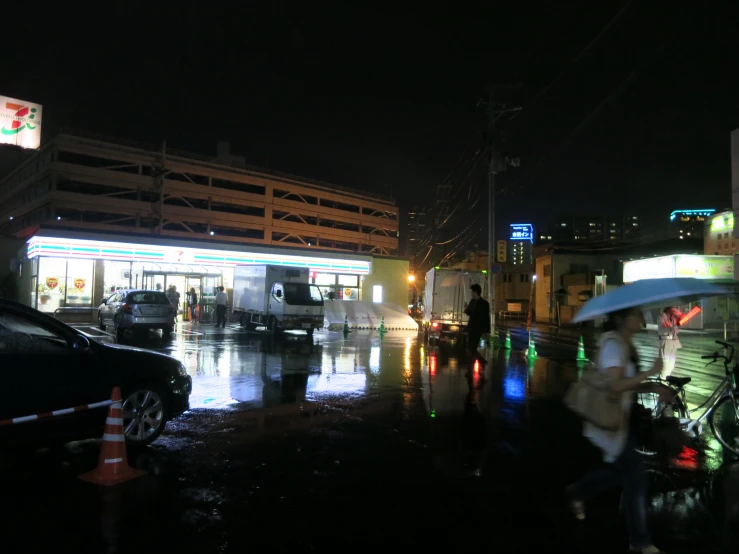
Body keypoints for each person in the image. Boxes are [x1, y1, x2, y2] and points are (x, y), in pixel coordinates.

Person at [566, 307, 670, 554]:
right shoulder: (613, 345)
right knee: (636, 478)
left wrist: (653, 387)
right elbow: (614, 385)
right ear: (620, 319)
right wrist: (651, 373)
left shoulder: (626, 344)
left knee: (620, 472)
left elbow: (627, 386)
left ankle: (578, 491)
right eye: (636, 315)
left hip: (623, 419)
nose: (642, 318)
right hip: (610, 419)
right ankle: (640, 541)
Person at [464, 284, 490, 368]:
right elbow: (469, 313)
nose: (470, 293)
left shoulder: (484, 304)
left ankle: (480, 362)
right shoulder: (472, 301)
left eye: (471, 291)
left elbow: (486, 318)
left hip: (478, 329)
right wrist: (466, 308)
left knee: (472, 348)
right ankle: (473, 364)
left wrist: (487, 331)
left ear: (475, 292)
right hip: (471, 328)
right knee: (470, 347)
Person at [658, 306, 682, 379]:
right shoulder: (662, 317)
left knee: (671, 364)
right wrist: (674, 327)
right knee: (666, 365)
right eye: (673, 308)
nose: (675, 309)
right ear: (669, 309)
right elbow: (665, 328)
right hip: (666, 342)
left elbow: (676, 330)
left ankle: (665, 380)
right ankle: (662, 381)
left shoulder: (673, 317)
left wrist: (678, 323)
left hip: (673, 343)